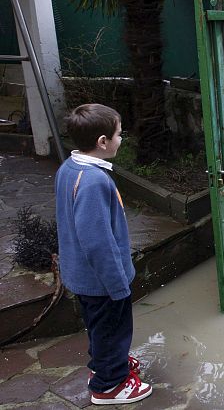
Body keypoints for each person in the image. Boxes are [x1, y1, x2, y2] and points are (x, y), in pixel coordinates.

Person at [55, 103, 152, 405]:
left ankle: (108, 365)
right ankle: (109, 385)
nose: (122, 139)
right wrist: (117, 285)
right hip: (103, 281)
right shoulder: (95, 181)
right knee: (113, 329)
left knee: (101, 329)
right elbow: (97, 241)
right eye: (119, 135)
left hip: (82, 274)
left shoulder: (69, 168)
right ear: (103, 142)